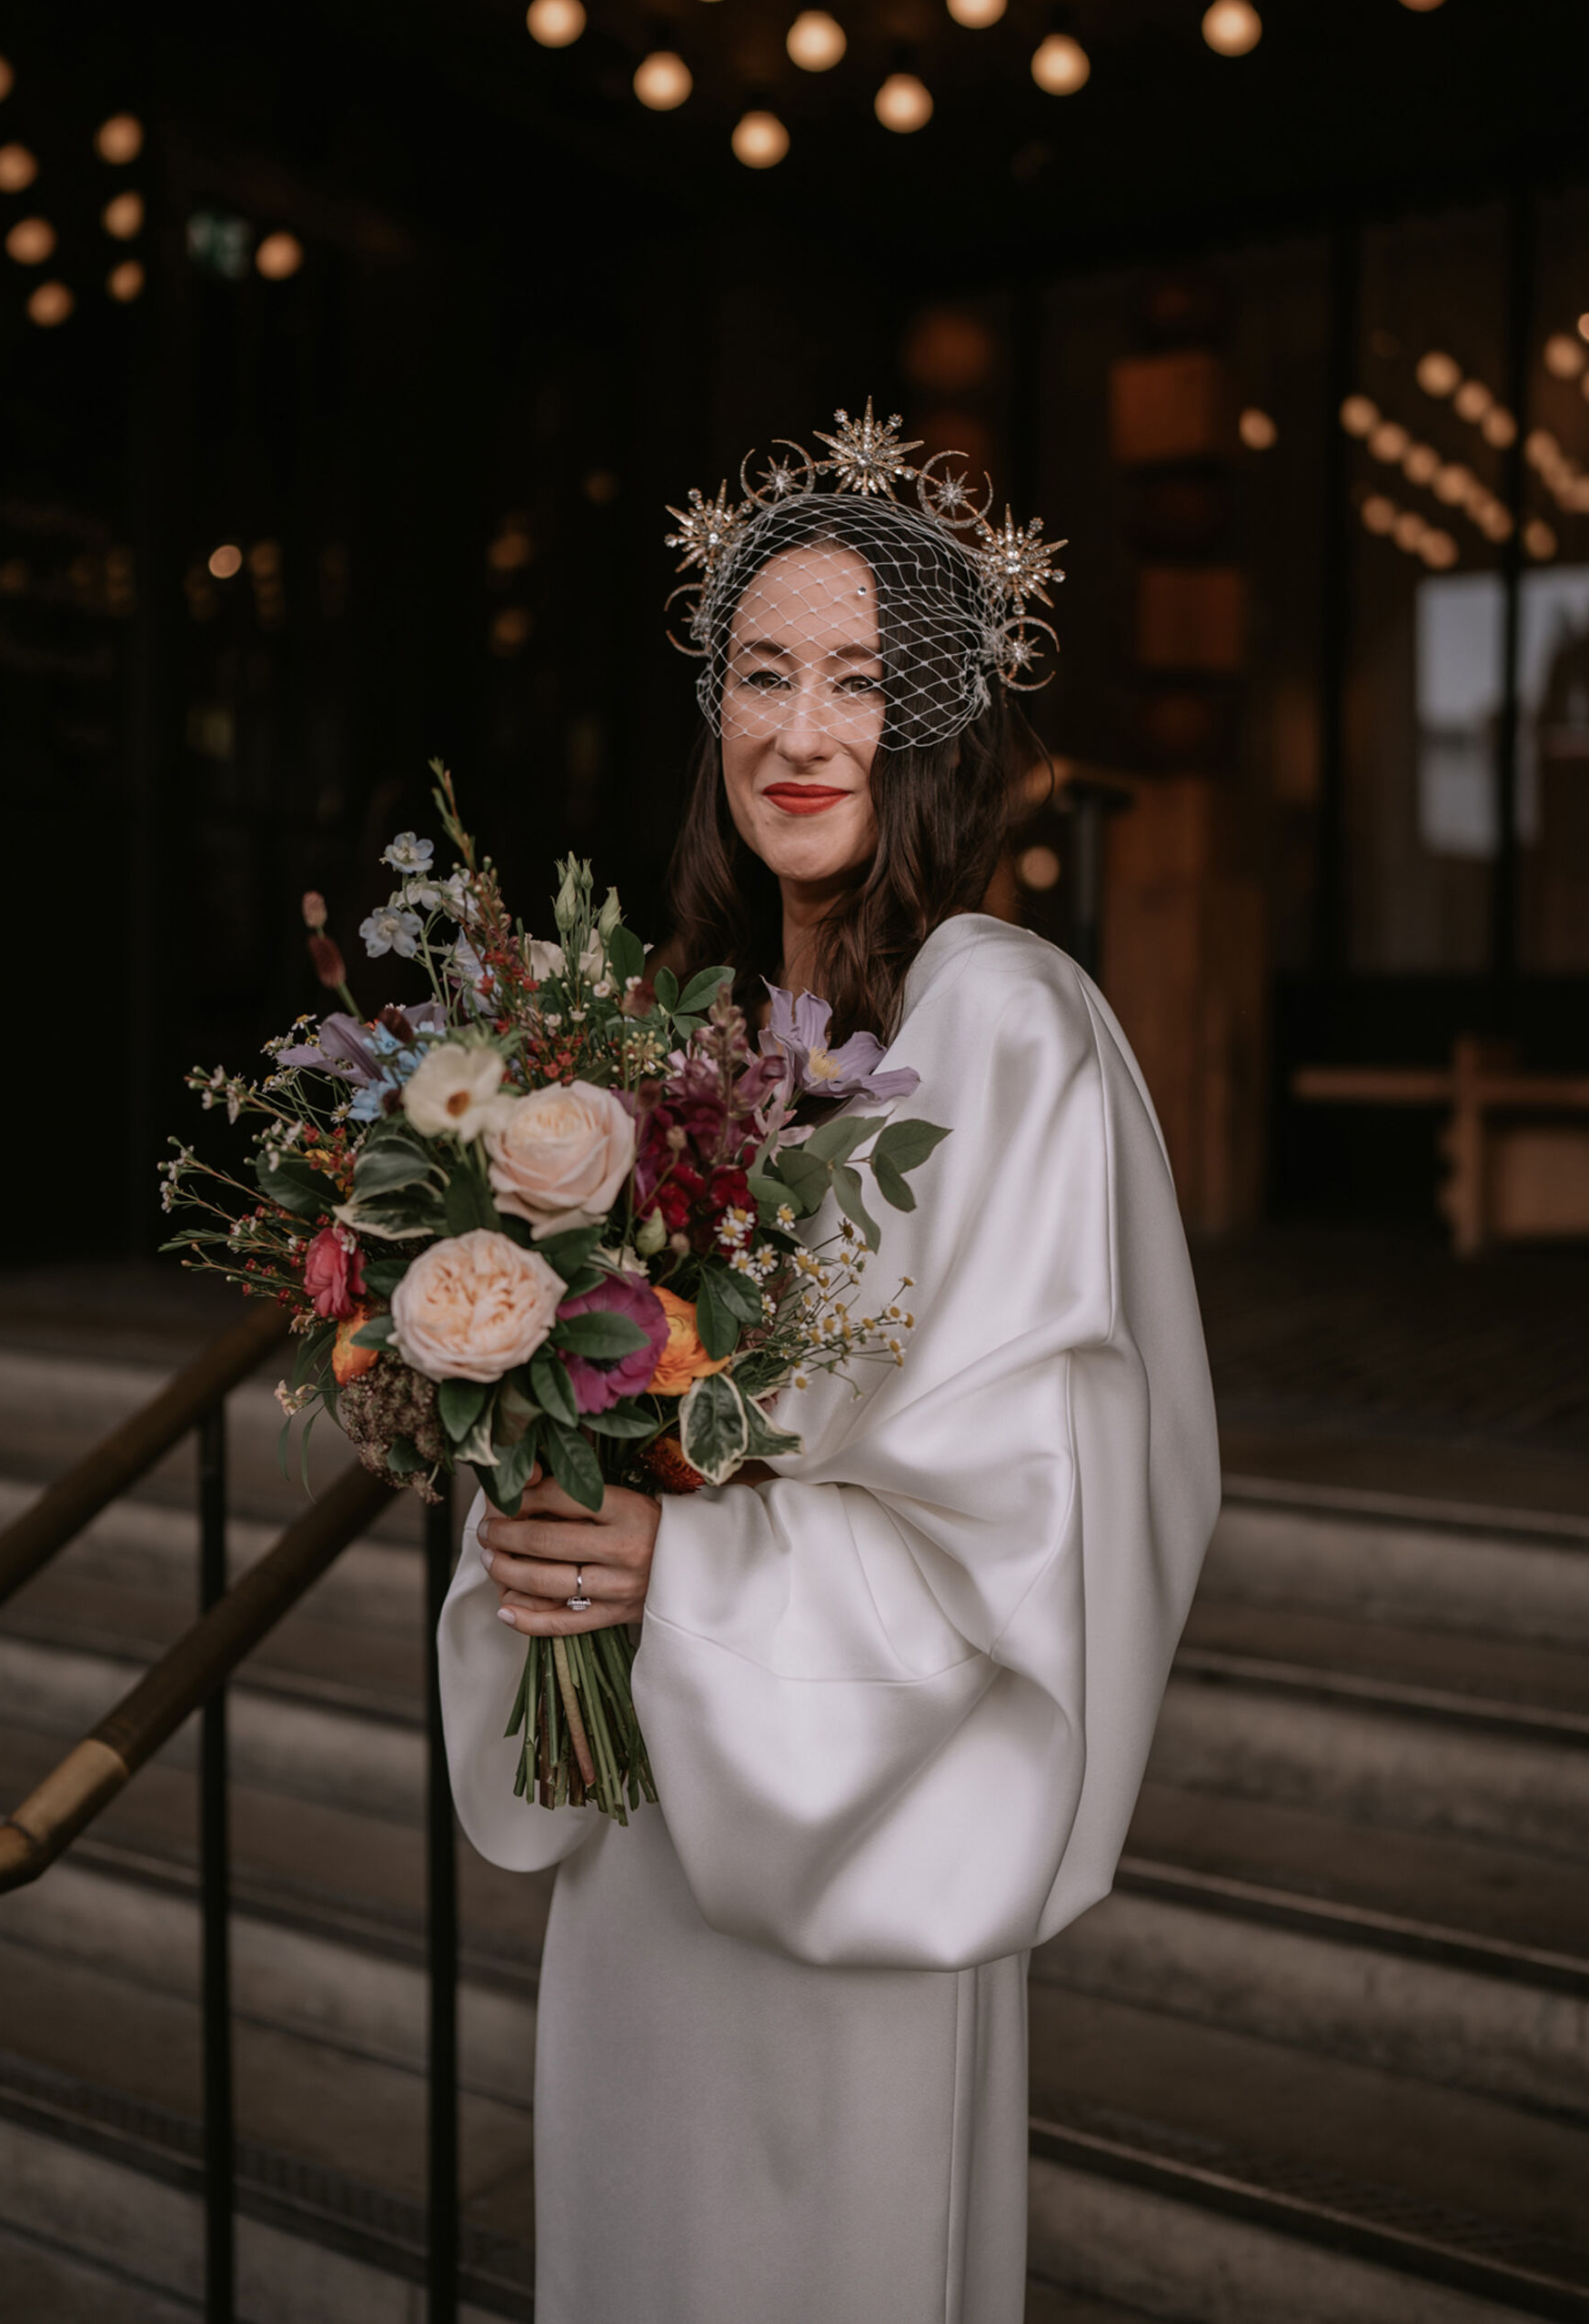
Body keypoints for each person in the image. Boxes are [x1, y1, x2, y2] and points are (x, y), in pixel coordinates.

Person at [437, 407, 1220, 2324]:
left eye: (860, 684)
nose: (800, 732)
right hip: (647, 1841)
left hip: (850, 1817)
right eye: (762, 676)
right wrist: (527, 1485)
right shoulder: (692, 1045)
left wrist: (683, 1573)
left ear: (937, 722)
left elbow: (1032, 1519)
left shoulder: (1006, 1022)